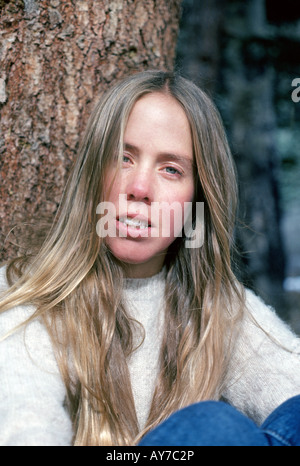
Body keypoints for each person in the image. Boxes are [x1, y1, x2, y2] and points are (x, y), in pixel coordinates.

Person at [0, 70, 299, 446]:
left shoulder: (218, 308)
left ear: (197, 202)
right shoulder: (24, 297)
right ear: (93, 174)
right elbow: (24, 426)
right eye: (122, 158)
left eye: (170, 169)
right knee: (214, 428)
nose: (139, 188)